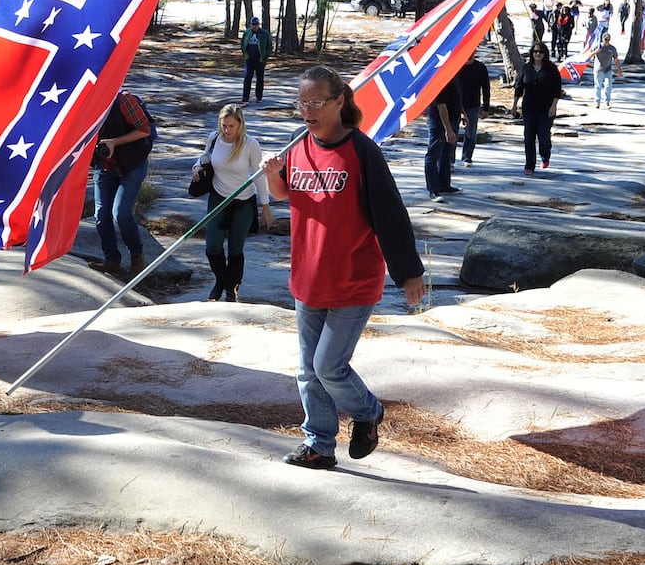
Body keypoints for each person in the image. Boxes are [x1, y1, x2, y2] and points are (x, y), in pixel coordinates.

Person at [263, 66, 426, 471]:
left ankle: (367, 412)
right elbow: (287, 195)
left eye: (316, 103)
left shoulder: (362, 151)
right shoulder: (299, 145)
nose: (307, 111)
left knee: (328, 366)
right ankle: (319, 444)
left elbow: (389, 214)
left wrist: (408, 272)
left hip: (352, 280)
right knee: (307, 372)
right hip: (309, 277)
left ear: (339, 102)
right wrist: (273, 176)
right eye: (302, 103)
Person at [190, 103, 273, 302]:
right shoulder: (215, 138)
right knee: (212, 246)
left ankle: (231, 289)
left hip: (243, 201)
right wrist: (196, 168)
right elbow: (204, 158)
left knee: (236, 249)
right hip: (219, 197)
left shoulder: (250, 144)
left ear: (240, 125)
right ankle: (220, 281)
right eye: (224, 125)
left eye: (231, 126)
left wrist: (266, 207)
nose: (226, 130)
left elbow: (259, 176)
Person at [90, 89, 153, 277]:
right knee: (101, 214)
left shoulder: (124, 100)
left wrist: (114, 142)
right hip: (106, 165)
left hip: (132, 163)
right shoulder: (85, 105)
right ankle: (111, 260)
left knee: (121, 213)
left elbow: (145, 129)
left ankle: (137, 258)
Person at [512, 43, 561, 175]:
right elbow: (519, 86)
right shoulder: (526, 68)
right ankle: (529, 165)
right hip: (529, 107)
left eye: (541, 52)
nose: (538, 54)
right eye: (535, 52)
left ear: (545, 54)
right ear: (532, 53)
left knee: (543, 135)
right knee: (528, 136)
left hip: (546, 107)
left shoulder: (551, 69)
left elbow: (557, 89)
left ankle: (545, 155)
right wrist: (515, 105)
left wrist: (554, 106)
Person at [423, 76, 461, 200]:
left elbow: (456, 97)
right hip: (439, 122)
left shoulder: (453, 76)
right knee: (433, 155)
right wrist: (448, 129)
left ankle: (444, 185)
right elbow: (442, 107)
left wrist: (463, 113)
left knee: (446, 154)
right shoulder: (441, 78)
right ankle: (433, 189)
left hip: (453, 119)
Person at [454, 54, 490, 166]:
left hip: (472, 105)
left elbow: (486, 88)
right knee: (452, 131)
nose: (469, 56)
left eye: (472, 53)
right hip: (454, 104)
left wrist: (486, 108)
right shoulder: (455, 66)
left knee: (470, 132)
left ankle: (467, 158)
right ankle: (449, 159)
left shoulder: (480, 68)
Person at [241, 16, 272, 104]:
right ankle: (245, 98)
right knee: (247, 77)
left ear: (259, 24)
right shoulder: (247, 32)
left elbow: (269, 46)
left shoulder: (264, 33)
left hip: (260, 60)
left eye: (256, 24)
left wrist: (265, 56)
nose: (255, 26)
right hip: (249, 59)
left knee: (260, 78)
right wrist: (245, 53)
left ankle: (259, 97)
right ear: (251, 25)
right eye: (253, 24)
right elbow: (243, 43)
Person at [592, 31, 622, 108]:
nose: (607, 41)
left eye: (608, 39)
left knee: (608, 85)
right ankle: (597, 102)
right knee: (598, 86)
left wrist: (619, 70)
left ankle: (606, 102)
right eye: (605, 39)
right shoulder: (598, 46)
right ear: (602, 39)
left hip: (608, 69)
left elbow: (616, 59)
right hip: (599, 69)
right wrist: (596, 52)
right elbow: (589, 55)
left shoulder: (612, 48)